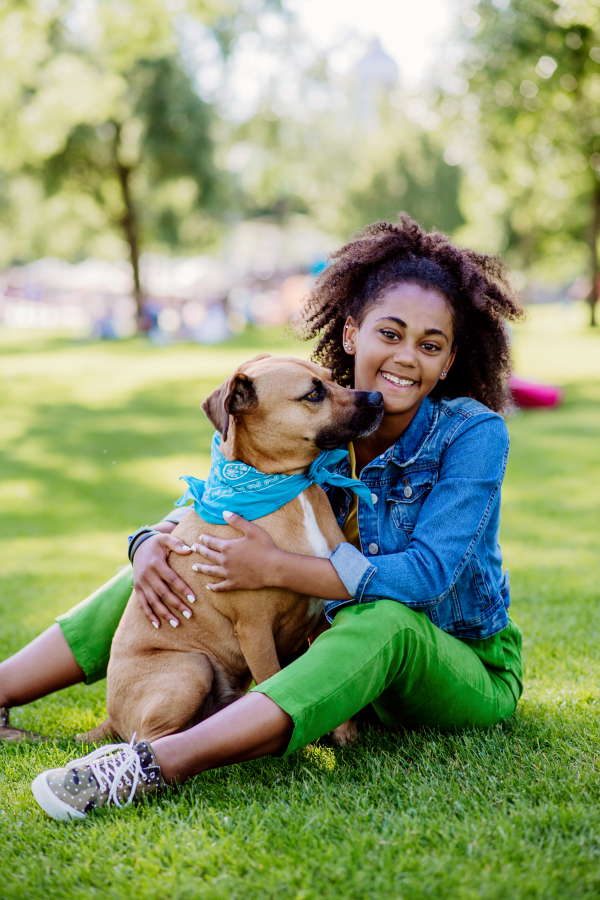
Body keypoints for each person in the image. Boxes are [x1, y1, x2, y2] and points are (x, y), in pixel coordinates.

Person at [8, 215, 524, 820]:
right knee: (176, 564)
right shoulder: (310, 419)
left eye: (430, 345)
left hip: (451, 664)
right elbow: (221, 499)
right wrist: (148, 543)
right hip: (340, 675)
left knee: (382, 618)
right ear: (353, 333)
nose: (407, 358)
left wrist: (274, 565)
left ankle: (151, 764)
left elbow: (425, 576)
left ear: (449, 359)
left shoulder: (473, 435)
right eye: (391, 333)